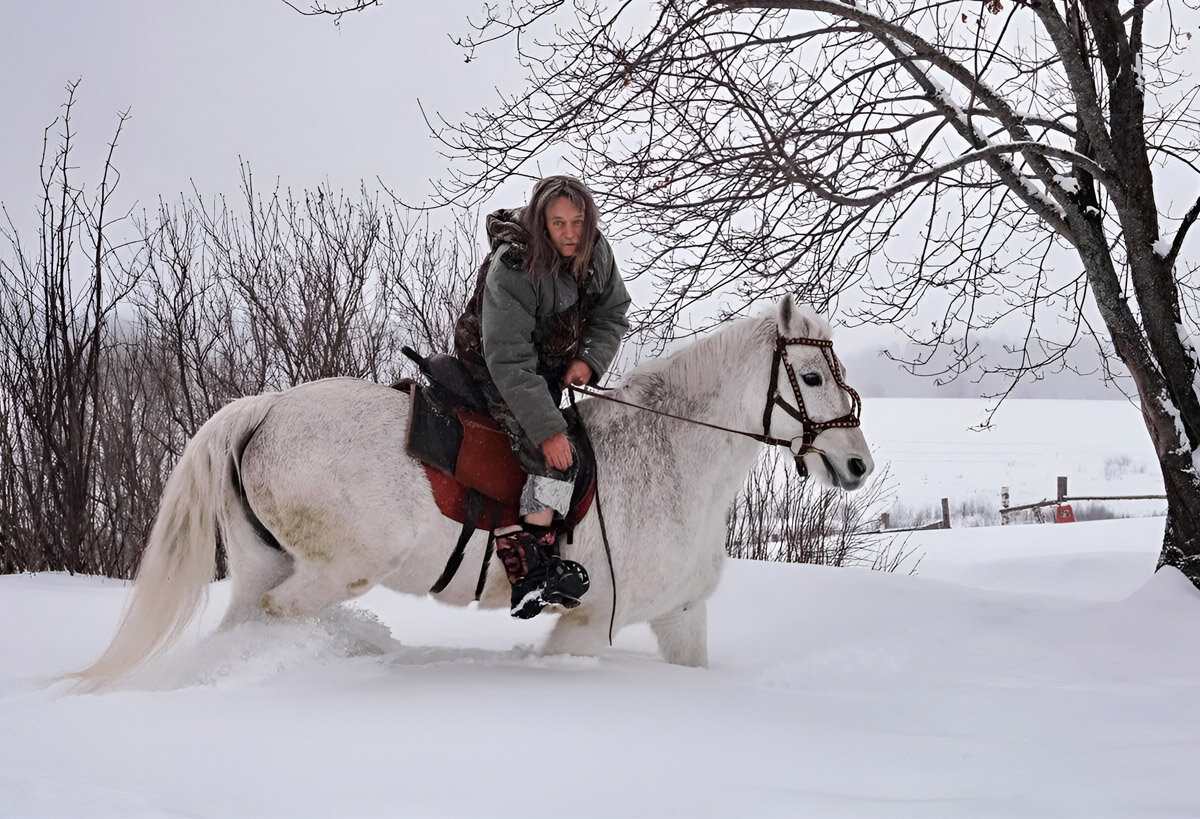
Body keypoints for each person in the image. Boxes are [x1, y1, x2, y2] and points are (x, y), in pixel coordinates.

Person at [454, 175, 631, 619]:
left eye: (578, 221)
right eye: (559, 223)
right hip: (495, 366)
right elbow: (509, 359)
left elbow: (612, 312)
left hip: (548, 367)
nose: (571, 233)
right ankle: (530, 570)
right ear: (542, 223)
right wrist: (548, 430)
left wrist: (588, 361)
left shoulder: (596, 252)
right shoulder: (514, 267)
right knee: (555, 456)